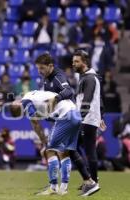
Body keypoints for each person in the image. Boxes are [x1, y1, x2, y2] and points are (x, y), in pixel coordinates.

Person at [35, 53, 99, 196]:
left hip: (69, 116)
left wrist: (55, 99)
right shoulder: (46, 80)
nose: (40, 71)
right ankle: (82, 183)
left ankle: (54, 187)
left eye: (42, 68)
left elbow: (68, 91)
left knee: (49, 150)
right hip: (66, 116)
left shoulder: (58, 77)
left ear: (51, 66)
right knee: (67, 151)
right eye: (38, 69)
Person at [11, 90, 81, 195]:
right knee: (64, 152)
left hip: (65, 114)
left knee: (50, 151)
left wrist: (44, 142)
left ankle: (53, 187)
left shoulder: (25, 102)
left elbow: (35, 123)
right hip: (75, 113)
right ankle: (63, 188)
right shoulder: (31, 96)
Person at [72, 50, 107, 191]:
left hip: (86, 119)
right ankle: (91, 180)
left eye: (76, 61)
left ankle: (92, 182)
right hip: (89, 118)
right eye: (73, 61)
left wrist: (78, 119)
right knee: (77, 148)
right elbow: (100, 100)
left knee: (86, 150)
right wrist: (101, 116)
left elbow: (87, 101)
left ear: (84, 62)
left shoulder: (90, 78)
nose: (73, 63)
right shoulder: (86, 77)